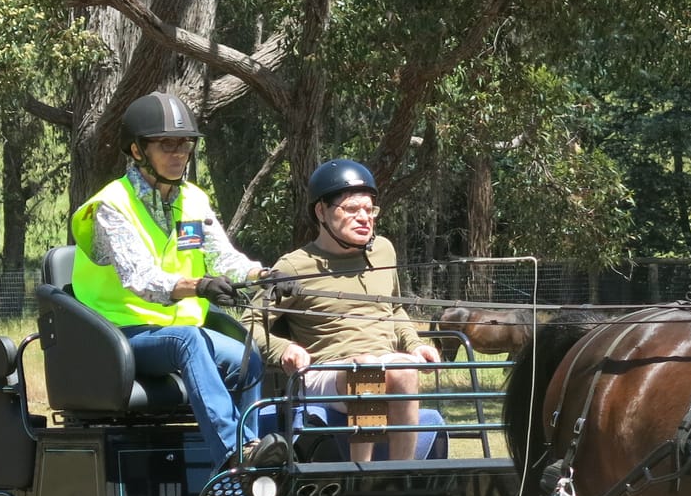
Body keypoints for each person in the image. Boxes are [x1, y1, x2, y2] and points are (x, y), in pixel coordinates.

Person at [67, 91, 286, 467]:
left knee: (247, 359)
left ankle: (251, 451)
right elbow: (141, 278)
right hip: (117, 334)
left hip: (173, 331)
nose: (178, 154)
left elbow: (223, 256)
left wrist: (262, 274)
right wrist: (198, 286)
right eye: (166, 145)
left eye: (184, 145)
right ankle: (236, 455)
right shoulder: (112, 205)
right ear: (137, 151)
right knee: (188, 343)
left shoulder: (193, 200)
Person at [258, 159, 441, 462]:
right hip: (324, 371)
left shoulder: (383, 250)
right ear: (321, 211)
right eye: (352, 209)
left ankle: (402, 475)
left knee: (406, 367)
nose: (364, 218)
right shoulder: (293, 266)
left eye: (369, 210)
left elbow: (395, 309)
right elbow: (250, 323)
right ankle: (362, 473)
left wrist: (416, 344)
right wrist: (284, 349)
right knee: (365, 367)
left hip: (382, 361)